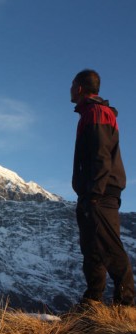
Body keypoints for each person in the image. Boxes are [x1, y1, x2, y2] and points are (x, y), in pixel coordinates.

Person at [71, 69, 134, 306]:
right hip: (93, 192)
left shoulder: (98, 113)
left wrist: (94, 194)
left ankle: (126, 304)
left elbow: (101, 155)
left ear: (79, 88)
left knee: (109, 246)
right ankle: (93, 301)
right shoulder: (90, 113)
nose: (69, 89)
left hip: (101, 192)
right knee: (92, 248)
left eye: (71, 85)